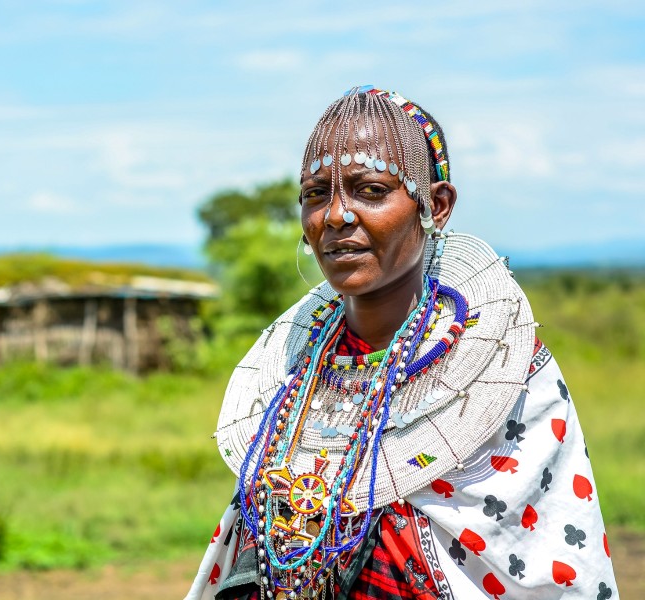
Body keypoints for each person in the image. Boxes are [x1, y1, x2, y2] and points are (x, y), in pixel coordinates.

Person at [186, 86, 618, 600]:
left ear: (434, 206)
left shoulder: (504, 375)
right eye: (316, 194)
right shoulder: (290, 379)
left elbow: (546, 569)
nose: (336, 216)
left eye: (369, 190)